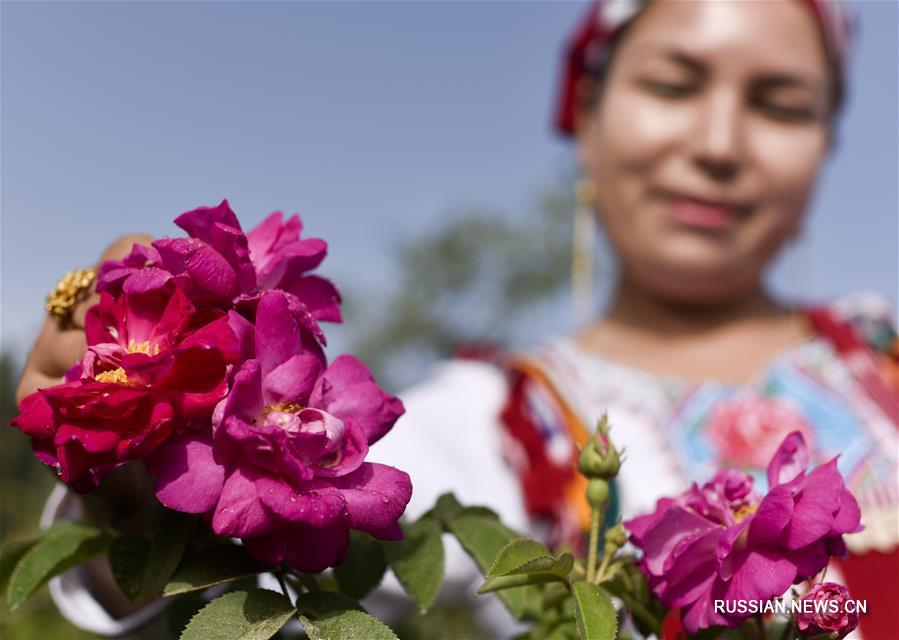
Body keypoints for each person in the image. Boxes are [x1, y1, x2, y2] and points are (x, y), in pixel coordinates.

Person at [15, 0, 897, 638]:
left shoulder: (885, 354)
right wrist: (132, 502)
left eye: (779, 103)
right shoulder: (485, 427)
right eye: (672, 84)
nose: (717, 143)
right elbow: (215, 603)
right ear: (586, 117)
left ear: (826, 141)